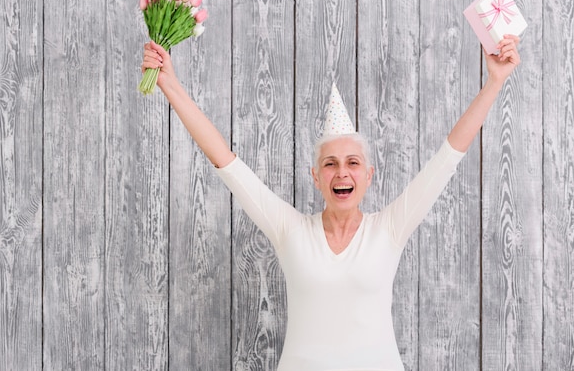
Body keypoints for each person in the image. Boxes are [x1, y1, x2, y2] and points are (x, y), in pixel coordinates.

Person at [141, 35, 520, 370]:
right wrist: (170, 84)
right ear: (316, 177)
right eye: (331, 164)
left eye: (353, 163)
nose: (342, 173)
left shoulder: (389, 228)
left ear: (368, 176)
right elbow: (225, 160)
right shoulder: (289, 229)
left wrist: (494, 82)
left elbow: (448, 156)